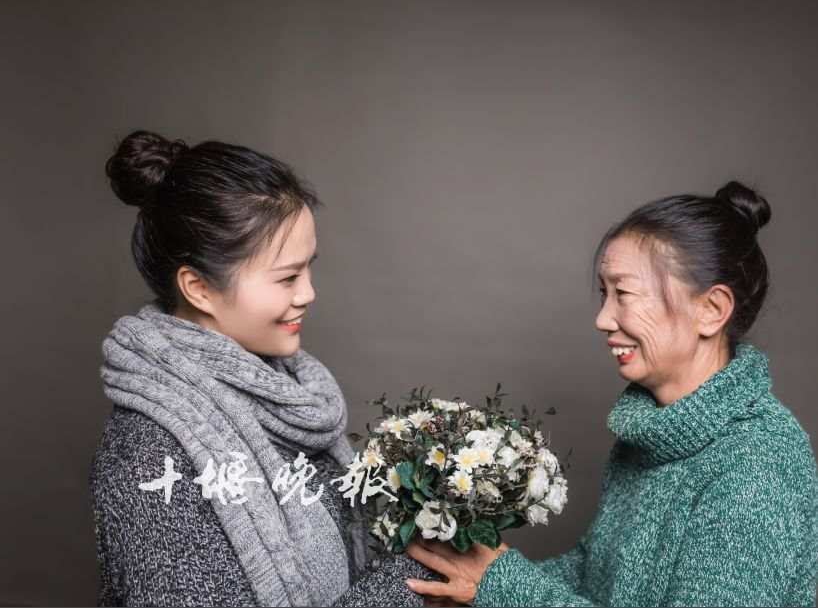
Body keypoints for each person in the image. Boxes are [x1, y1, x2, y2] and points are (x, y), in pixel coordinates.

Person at [406, 181, 818, 606]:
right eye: (605, 294)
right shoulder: (650, 433)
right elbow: (594, 573)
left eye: (624, 294)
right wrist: (468, 585)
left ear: (711, 310)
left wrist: (501, 585)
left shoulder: (760, 461)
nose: (603, 319)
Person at [90, 130, 435, 607]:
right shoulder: (150, 454)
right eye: (287, 277)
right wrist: (421, 573)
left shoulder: (289, 397)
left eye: (308, 269)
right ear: (199, 289)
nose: (308, 293)